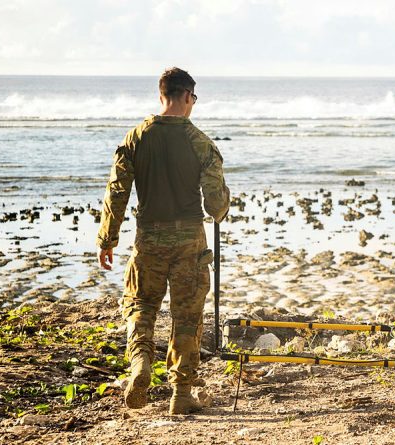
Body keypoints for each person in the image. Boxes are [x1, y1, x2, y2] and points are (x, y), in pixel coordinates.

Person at [96, 67, 230, 414]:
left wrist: (107, 238)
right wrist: (222, 207)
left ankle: (140, 364)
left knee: (140, 306)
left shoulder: (136, 137)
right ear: (187, 97)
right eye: (194, 98)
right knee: (187, 315)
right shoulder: (201, 142)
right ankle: (180, 394)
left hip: (149, 237)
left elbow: (116, 193)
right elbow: (215, 204)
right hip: (189, 239)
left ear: (161, 96)